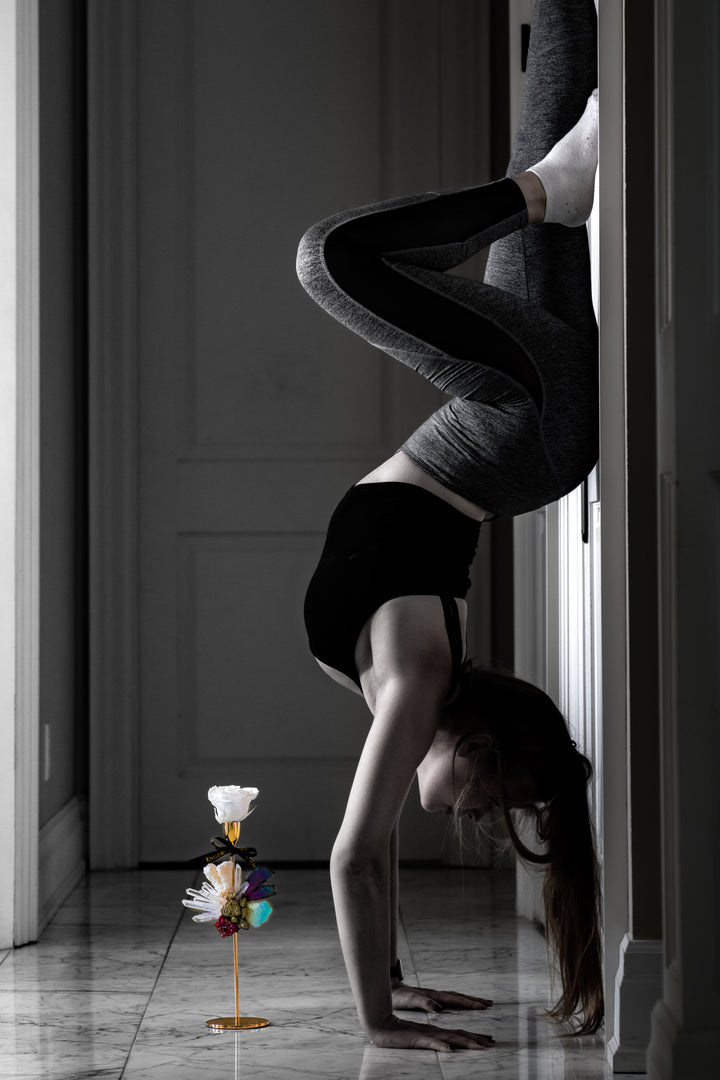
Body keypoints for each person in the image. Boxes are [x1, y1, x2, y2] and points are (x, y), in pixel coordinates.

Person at [296, 0, 602, 1053]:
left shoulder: (413, 693)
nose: (470, 818)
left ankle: (551, 155)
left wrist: (393, 987)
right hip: (527, 421)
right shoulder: (424, 679)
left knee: (550, 126)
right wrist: (377, 1023)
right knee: (332, 258)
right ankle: (544, 190)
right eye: (490, 799)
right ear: (473, 746)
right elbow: (355, 855)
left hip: (521, 424)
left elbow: (370, 848)